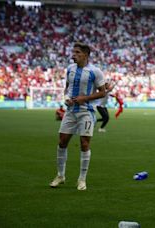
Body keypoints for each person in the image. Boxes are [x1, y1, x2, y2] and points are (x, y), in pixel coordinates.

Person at [49, 42, 106, 191]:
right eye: (73, 52)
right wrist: (66, 97)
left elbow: (102, 92)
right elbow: (67, 88)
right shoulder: (70, 69)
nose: (73, 55)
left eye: (77, 52)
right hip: (70, 111)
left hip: (86, 112)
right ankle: (60, 176)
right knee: (62, 142)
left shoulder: (95, 71)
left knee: (84, 144)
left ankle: (82, 179)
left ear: (85, 55)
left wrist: (84, 99)